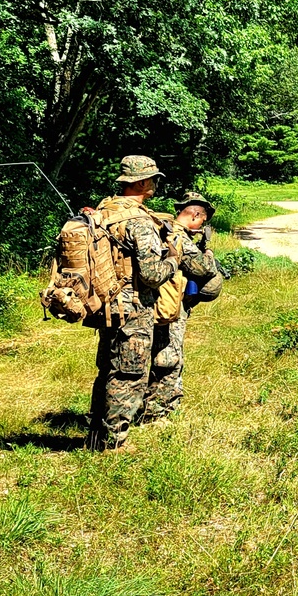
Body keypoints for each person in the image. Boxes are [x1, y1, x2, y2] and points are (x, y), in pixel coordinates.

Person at [86, 155, 179, 451]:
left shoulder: (103, 210)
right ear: (140, 182)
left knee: (108, 371)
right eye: (152, 178)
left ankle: (95, 437)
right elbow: (152, 275)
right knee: (129, 375)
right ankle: (115, 443)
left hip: (106, 303)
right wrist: (174, 261)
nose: (155, 183)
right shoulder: (139, 221)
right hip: (134, 308)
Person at [140, 192, 221, 424]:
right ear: (195, 214)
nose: (203, 224)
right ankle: (157, 411)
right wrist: (208, 252)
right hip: (170, 306)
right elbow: (203, 268)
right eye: (202, 219)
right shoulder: (179, 237)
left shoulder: (166, 230)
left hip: (160, 302)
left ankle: (163, 405)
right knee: (169, 356)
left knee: (163, 353)